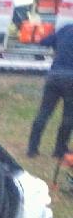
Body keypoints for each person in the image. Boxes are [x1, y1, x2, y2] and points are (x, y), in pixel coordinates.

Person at [27, 24, 73, 159]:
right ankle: (59, 150)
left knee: (44, 112)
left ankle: (32, 149)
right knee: (69, 116)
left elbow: (44, 41)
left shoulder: (66, 28)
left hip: (54, 76)